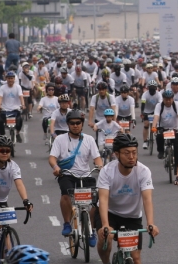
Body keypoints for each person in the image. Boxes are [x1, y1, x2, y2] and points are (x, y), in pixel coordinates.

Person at [95, 133, 159, 264]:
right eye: (127, 153)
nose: (131, 157)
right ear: (117, 154)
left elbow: (147, 199)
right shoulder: (107, 171)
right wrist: (106, 225)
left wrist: (150, 223)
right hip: (110, 213)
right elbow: (103, 200)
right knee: (106, 239)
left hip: (132, 216)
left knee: (136, 259)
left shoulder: (143, 171)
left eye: (134, 152)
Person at [49, 109, 103, 244]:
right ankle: (67, 223)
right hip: (67, 174)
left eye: (78, 122)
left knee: (96, 201)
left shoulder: (89, 139)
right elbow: (52, 158)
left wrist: (100, 167)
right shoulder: (60, 140)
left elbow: (97, 158)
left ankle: (90, 230)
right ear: (68, 124)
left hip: (85, 175)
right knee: (66, 195)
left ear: (82, 123)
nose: (75, 125)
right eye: (72, 123)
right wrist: (56, 167)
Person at [151, 89, 178, 165]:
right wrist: (153, 126)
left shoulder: (177, 104)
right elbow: (156, 117)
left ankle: (177, 166)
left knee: (176, 147)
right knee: (159, 137)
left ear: (172, 99)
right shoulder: (159, 106)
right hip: (163, 128)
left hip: (174, 128)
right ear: (163, 99)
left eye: (170, 99)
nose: (168, 101)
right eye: (166, 99)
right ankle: (161, 151)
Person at [0, 71, 25, 143]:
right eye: (9, 78)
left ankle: (17, 133)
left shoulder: (18, 87)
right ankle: (2, 137)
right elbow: (0, 97)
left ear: (14, 79)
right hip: (5, 109)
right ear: (6, 79)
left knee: (20, 120)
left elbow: (21, 96)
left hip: (15, 109)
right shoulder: (2, 87)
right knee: (0, 121)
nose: (10, 80)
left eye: (12, 78)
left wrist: (23, 105)